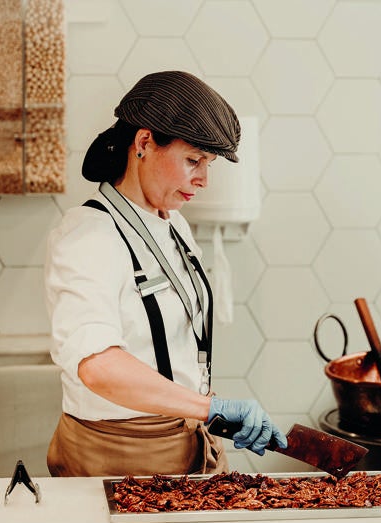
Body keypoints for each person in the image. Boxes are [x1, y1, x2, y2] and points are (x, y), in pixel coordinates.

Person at [44, 70, 287, 477]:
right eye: (193, 160)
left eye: (207, 164)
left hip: (187, 440)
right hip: (117, 455)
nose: (203, 180)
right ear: (143, 143)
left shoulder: (174, 223)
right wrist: (208, 407)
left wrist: (208, 411)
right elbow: (97, 364)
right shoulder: (88, 235)